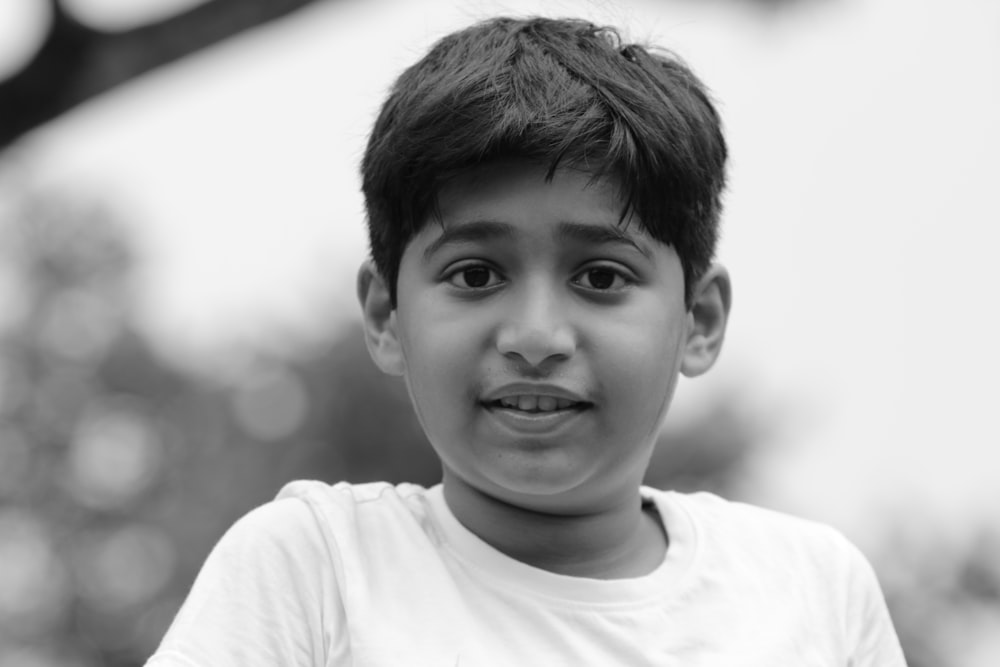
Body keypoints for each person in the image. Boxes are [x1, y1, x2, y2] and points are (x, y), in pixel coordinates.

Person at [146, 16, 907, 666]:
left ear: (698, 322)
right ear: (385, 316)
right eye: (476, 274)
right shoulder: (316, 571)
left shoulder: (811, 590)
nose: (537, 336)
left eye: (602, 278)